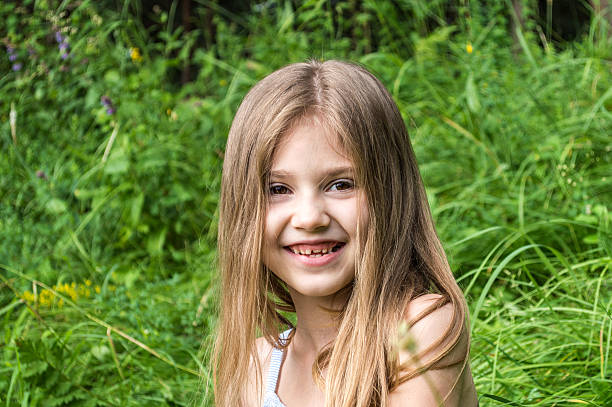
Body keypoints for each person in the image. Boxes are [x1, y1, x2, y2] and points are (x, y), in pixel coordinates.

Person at [213, 59, 478, 407]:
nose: (309, 218)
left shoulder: (419, 330)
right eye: (278, 189)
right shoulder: (254, 367)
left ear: (391, 195)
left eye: (341, 184)